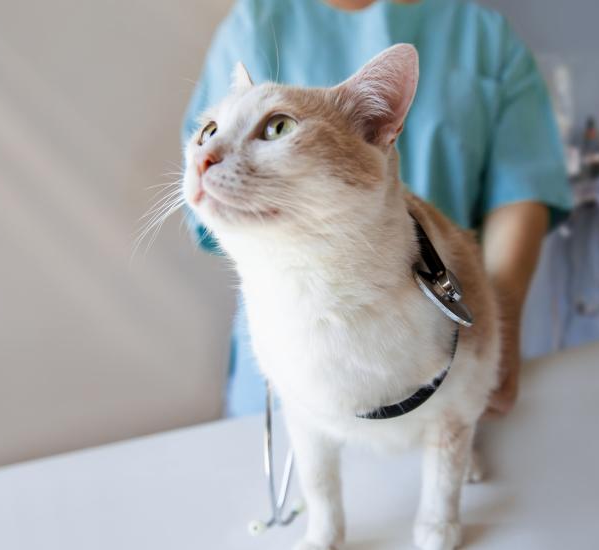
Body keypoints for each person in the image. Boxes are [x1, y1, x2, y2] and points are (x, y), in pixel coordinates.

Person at [182, 0, 572, 418]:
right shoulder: (256, 22)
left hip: (437, 342)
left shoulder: (483, 38)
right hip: (290, 350)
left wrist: (500, 319)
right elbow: (210, 183)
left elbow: (521, 186)